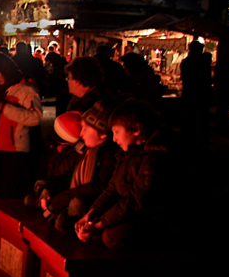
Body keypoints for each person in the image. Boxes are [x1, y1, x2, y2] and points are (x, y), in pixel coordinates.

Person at [74, 99, 176, 250]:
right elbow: (113, 188)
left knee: (110, 236)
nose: (114, 139)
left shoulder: (154, 158)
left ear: (136, 129)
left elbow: (136, 201)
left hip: (155, 217)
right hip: (132, 213)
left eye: (117, 132)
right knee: (95, 230)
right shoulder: (128, 154)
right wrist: (92, 213)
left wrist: (100, 224)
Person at [43, 99, 119, 233]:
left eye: (85, 129)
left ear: (102, 134)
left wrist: (64, 197)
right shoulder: (87, 152)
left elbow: (99, 187)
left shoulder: (109, 156)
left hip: (91, 209)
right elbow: (71, 175)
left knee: (76, 204)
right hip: (73, 197)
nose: (80, 133)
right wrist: (49, 187)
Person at [0, 52, 43, 200]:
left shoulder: (26, 89)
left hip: (15, 148)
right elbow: (2, 113)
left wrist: (5, 108)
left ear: (4, 70)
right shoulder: (4, 89)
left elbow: (36, 118)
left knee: (11, 191)